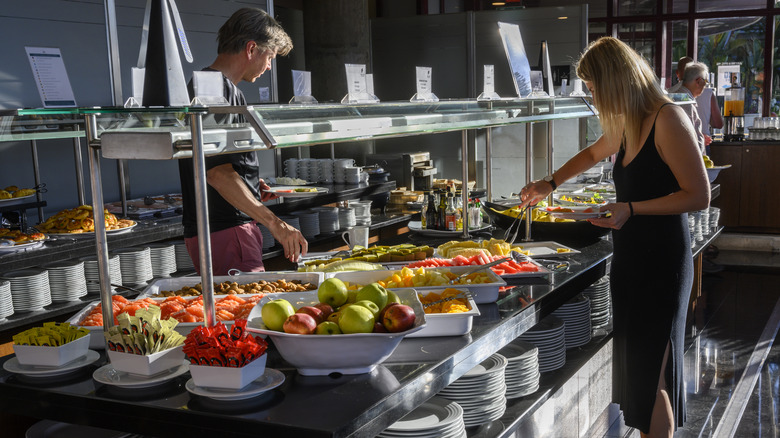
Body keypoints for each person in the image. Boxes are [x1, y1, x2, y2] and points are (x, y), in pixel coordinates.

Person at [518, 37, 710, 438]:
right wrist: (549, 182)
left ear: (614, 81)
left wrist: (632, 208)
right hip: (631, 258)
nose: (591, 95)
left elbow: (699, 195)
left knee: (652, 377)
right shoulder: (628, 121)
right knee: (640, 381)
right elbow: (591, 154)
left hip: (663, 263)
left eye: (592, 87)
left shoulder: (667, 118)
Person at [178, 7, 307, 275]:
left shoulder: (214, 87)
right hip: (228, 231)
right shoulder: (216, 90)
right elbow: (217, 174)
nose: (270, 66)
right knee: (247, 312)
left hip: (218, 231)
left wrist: (249, 184)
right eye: (270, 56)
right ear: (251, 49)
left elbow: (216, 165)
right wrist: (276, 224)